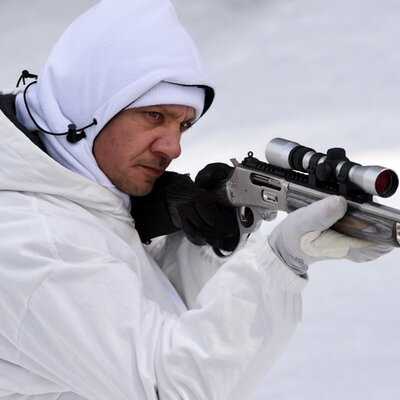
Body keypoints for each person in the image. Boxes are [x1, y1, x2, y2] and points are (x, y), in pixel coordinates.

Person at [0, 0, 392, 399]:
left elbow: (157, 319)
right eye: (154, 116)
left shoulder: (80, 198)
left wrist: (203, 244)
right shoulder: (35, 243)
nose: (173, 147)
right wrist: (279, 263)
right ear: (88, 106)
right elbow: (171, 386)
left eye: (184, 124)